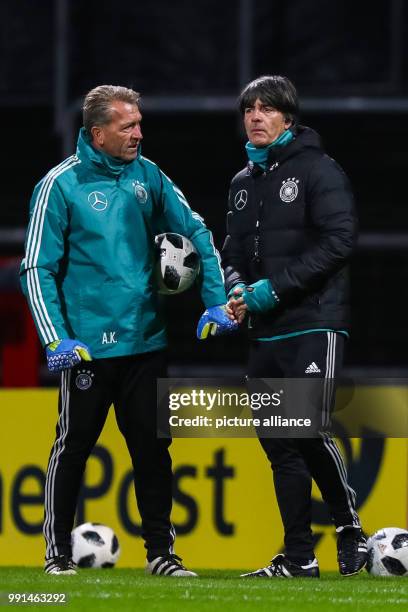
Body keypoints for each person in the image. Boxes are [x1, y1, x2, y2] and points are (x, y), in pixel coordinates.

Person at [20, 85, 235, 576]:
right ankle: (57, 555)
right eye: (127, 126)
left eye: (139, 123)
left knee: (153, 453)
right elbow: (36, 268)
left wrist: (216, 301)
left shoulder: (149, 176)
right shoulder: (59, 185)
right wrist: (56, 337)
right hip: (87, 350)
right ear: (98, 133)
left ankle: (162, 555)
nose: (139, 133)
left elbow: (197, 229)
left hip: (146, 341)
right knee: (73, 447)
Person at [223, 75, 367, 578]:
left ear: (288, 118)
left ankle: (349, 526)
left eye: (267, 109)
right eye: (249, 110)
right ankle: (299, 557)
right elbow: (232, 253)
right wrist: (238, 289)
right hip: (265, 330)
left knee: (303, 427)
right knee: (280, 443)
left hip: (313, 322)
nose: (256, 117)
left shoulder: (319, 170)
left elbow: (339, 242)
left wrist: (271, 290)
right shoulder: (242, 184)